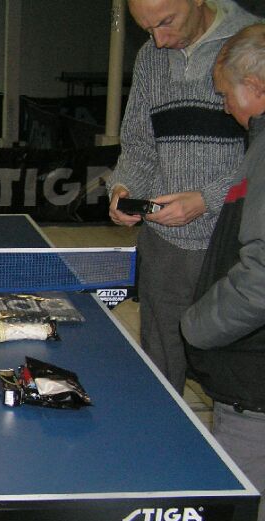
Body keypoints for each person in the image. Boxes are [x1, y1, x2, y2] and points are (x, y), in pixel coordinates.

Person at [106, 0, 259, 394]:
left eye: (167, 22)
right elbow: (139, 144)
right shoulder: (151, 57)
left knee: (233, 375)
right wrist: (124, 188)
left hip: (234, 244)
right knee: (161, 369)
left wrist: (206, 199)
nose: (159, 40)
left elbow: (261, 156)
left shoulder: (253, 44)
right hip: (165, 248)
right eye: (148, 29)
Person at [181, 23, 265, 521]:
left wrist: (196, 325)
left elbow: (260, 280)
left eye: (226, 93)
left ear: (255, 87)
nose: (226, 107)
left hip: (254, 386)